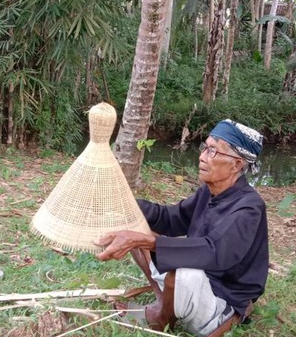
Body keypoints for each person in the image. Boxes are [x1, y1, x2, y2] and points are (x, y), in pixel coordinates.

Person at [95, 119, 269, 337]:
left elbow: (214, 252)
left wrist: (143, 241)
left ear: (236, 164)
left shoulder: (249, 207)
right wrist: (126, 205)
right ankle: (163, 300)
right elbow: (171, 218)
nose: (203, 156)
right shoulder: (209, 192)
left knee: (179, 272)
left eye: (213, 151)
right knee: (140, 229)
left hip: (221, 297)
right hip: (195, 283)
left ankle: (161, 319)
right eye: (205, 148)